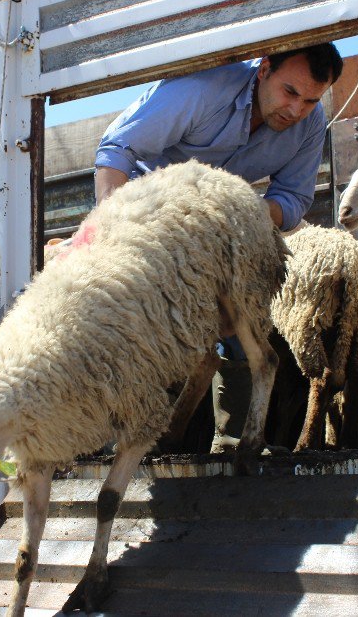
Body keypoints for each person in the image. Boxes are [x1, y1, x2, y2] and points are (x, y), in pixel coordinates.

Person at [94, 43, 343, 452]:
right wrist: (112, 227)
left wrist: (238, 212)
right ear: (263, 69)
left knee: (242, 312)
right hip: (151, 211)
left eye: (311, 99)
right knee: (137, 323)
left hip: (225, 224)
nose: (297, 110)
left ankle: (230, 443)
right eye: (290, 92)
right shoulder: (206, 87)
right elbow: (119, 147)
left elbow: (295, 199)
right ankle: (117, 441)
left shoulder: (311, 122)